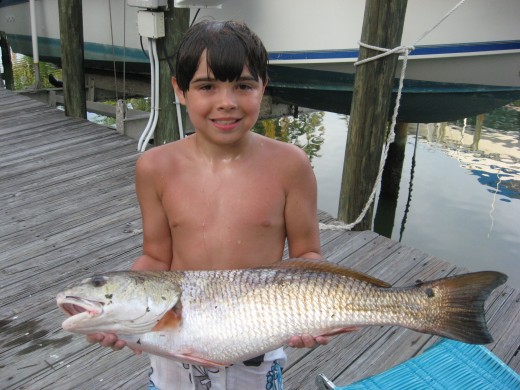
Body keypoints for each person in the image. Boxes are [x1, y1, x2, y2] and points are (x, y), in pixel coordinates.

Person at [88, 19, 328, 389]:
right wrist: (117, 313)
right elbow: (154, 257)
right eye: (207, 86)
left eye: (243, 86)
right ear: (180, 91)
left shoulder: (291, 165)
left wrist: (311, 314)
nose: (226, 103)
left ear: (263, 87)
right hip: (175, 342)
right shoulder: (155, 166)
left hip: (258, 345)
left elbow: (307, 254)